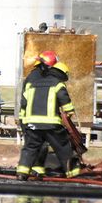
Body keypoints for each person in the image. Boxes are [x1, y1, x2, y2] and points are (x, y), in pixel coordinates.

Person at [16, 51, 80, 180]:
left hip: (31, 122)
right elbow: (64, 99)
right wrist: (69, 112)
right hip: (51, 124)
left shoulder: (31, 80)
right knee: (63, 147)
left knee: (30, 147)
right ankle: (72, 173)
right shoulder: (56, 82)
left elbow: (24, 102)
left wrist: (23, 120)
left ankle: (22, 173)